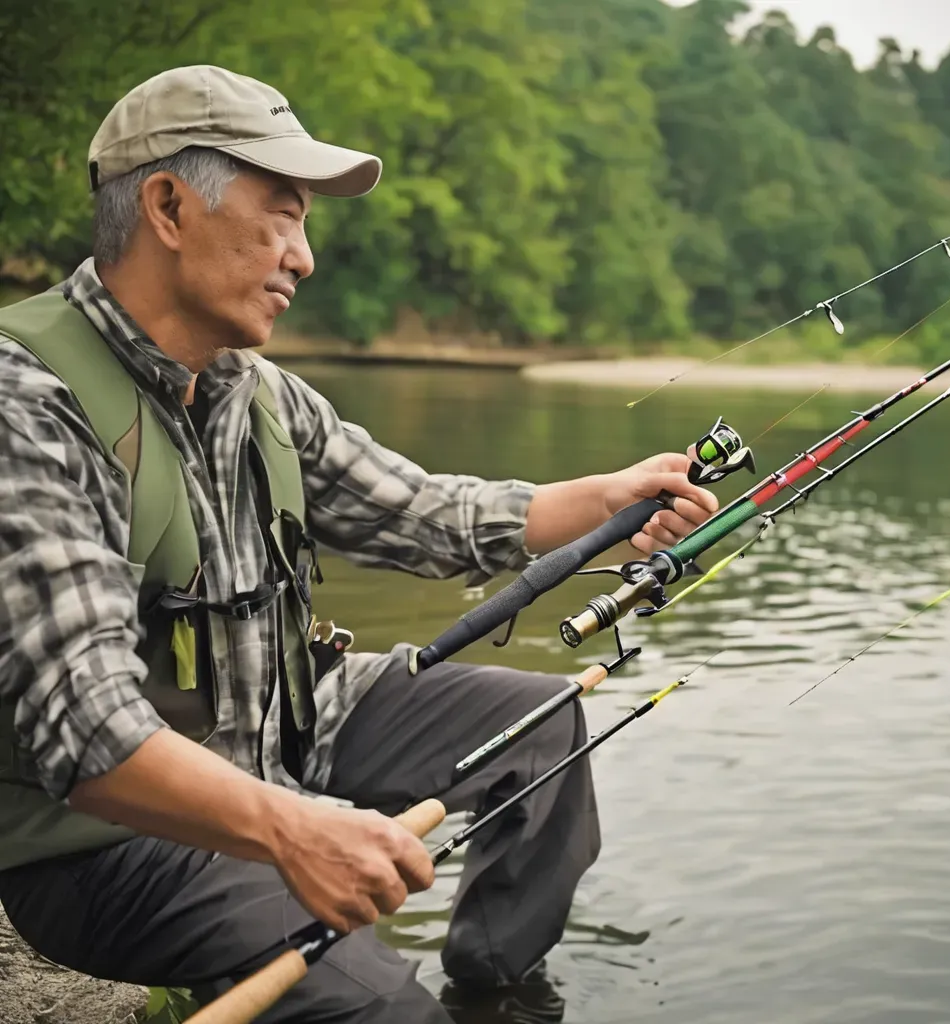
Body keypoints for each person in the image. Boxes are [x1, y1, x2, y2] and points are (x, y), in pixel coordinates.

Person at [0, 65, 718, 1022]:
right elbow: (89, 735)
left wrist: (602, 500)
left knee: (542, 725)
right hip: (101, 839)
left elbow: (423, 513)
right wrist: (296, 831)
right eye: (283, 215)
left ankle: (498, 991)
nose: (303, 258)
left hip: (286, 731)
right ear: (169, 206)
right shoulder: (26, 405)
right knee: (376, 999)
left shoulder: (254, 389)